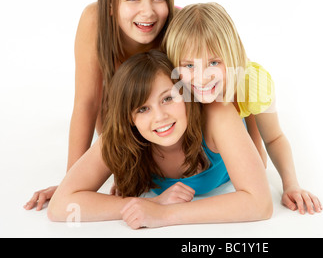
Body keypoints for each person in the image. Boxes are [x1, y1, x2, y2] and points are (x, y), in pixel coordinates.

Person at [47, 51, 272, 229]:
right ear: (130, 119)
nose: (160, 117)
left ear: (185, 95)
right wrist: (151, 203)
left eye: (167, 98)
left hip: (239, 123)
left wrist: (165, 215)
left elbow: (260, 204)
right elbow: (59, 207)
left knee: (259, 157)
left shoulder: (217, 115)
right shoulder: (121, 136)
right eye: (143, 108)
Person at [24, 0, 176, 210]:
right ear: (109, 4)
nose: (148, 12)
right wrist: (73, 182)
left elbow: (227, 80)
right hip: (125, 123)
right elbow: (87, 103)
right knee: (109, 96)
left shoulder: (178, 25)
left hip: (167, 128)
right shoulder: (94, 21)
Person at [161, 2, 322, 214]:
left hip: (236, 103)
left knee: (259, 161)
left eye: (214, 62)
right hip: (203, 125)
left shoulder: (252, 83)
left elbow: (274, 138)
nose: (201, 77)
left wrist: (290, 184)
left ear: (231, 57)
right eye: (189, 65)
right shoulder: (173, 82)